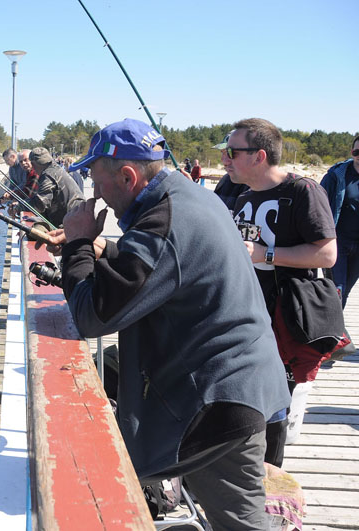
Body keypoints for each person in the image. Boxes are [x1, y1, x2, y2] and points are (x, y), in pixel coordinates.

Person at [57, 118, 290, 530]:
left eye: (96, 179)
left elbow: (92, 315)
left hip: (221, 401)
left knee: (241, 524)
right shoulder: (185, 194)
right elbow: (159, 263)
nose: (95, 193)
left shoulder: (163, 221)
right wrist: (103, 248)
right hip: (242, 382)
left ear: (127, 176)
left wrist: (77, 245)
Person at [227, 118, 337, 465]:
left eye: (233, 152)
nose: (226, 159)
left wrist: (267, 255)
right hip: (248, 314)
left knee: (275, 404)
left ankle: (268, 488)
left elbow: (327, 253)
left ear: (259, 156)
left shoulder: (302, 191)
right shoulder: (243, 195)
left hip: (285, 318)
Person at [320, 134, 359, 307]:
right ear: (352, 152)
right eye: (357, 151)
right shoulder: (337, 175)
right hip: (337, 243)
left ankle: (336, 327)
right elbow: (317, 206)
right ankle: (334, 331)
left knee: (346, 290)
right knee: (337, 290)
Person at [13, 147, 83, 228]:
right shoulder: (56, 169)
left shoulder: (48, 175)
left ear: (35, 163)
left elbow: (40, 204)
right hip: (76, 217)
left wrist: (18, 207)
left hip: (74, 222)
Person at [212, 130, 250, 212]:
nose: (224, 160)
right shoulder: (225, 180)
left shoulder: (262, 188)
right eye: (222, 152)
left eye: (231, 153)